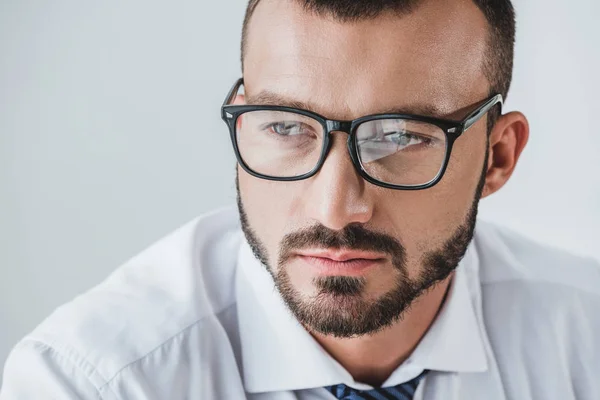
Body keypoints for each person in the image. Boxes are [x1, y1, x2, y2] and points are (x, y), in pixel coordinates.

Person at [2, 0, 599, 398]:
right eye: (285, 127)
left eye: (400, 137)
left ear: (497, 157)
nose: (334, 208)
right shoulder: (92, 381)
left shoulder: (585, 341)